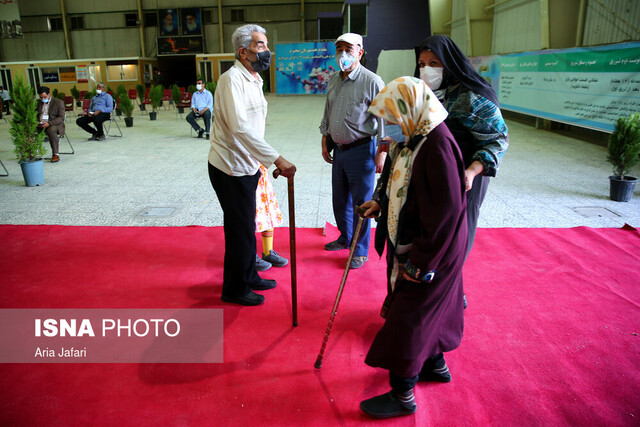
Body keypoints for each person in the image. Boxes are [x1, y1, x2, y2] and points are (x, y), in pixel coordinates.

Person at [358, 77, 467, 419]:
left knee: (409, 317)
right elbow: (394, 177)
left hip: (433, 249)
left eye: (392, 115)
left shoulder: (437, 145)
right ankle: (435, 364)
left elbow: (447, 212)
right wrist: (379, 202)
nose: (389, 124)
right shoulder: (414, 138)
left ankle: (403, 394)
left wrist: (423, 262)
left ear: (411, 109)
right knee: (431, 311)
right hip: (418, 241)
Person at [208, 24, 296, 306]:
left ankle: (250, 276)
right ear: (242, 51)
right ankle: (234, 288)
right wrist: (277, 158)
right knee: (239, 229)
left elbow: (254, 129)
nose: (266, 50)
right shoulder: (231, 80)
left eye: (266, 44)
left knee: (247, 225)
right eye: (260, 45)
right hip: (229, 167)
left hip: (247, 164)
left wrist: (261, 160)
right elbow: (241, 129)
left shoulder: (254, 79)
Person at [414, 35, 508, 260]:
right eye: (422, 64)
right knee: (432, 232)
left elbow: (498, 139)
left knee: (456, 237)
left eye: (434, 64)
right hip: (434, 176)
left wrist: (472, 171)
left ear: (449, 63)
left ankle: (453, 288)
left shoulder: (471, 96)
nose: (427, 70)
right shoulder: (424, 94)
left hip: (464, 178)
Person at [319, 32, 386, 269]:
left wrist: (382, 151)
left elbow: (384, 120)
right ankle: (346, 237)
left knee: (362, 203)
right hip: (340, 150)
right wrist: (325, 137)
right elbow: (329, 110)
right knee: (340, 200)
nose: (343, 54)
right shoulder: (334, 79)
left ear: (360, 52)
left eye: (348, 49)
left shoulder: (372, 81)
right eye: (339, 49)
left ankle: (359, 250)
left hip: (361, 150)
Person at [254, 164, 288, 271]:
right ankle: (249, 255)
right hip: (244, 174)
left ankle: (268, 252)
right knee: (250, 217)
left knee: (267, 213)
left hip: (261, 175)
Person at [36, 86, 65, 163]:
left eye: (44, 97)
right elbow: (34, 114)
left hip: (54, 124)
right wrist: (36, 122)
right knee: (28, 130)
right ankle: (30, 153)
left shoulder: (58, 102)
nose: (43, 99)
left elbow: (61, 118)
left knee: (51, 131)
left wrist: (49, 123)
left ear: (49, 94)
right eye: (41, 97)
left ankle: (55, 154)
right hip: (40, 124)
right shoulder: (38, 102)